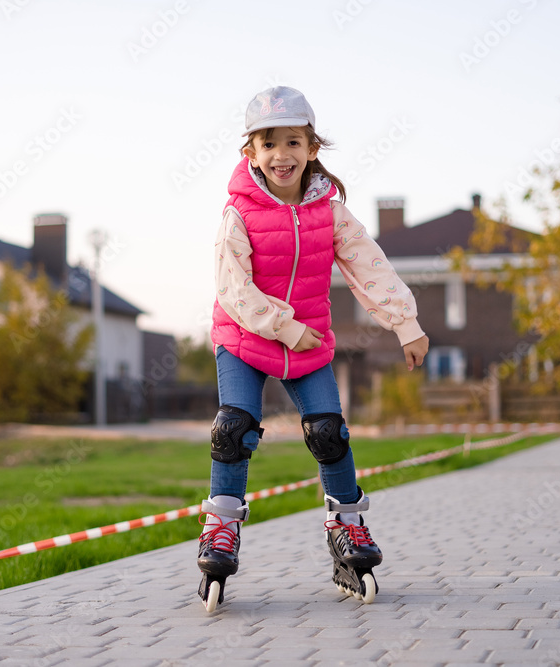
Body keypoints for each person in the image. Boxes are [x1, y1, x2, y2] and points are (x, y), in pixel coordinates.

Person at [196, 86, 429, 610]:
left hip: (307, 338)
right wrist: (283, 326)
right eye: (270, 144)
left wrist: (405, 322)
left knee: (329, 432)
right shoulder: (238, 213)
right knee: (235, 427)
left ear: (312, 148)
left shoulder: (330, 212)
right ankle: (220, 528)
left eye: (294, 142)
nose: (283, 155)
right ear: (250, 154)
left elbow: (369, 265)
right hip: (246, 334)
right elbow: (232, 289)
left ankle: (347, 525)